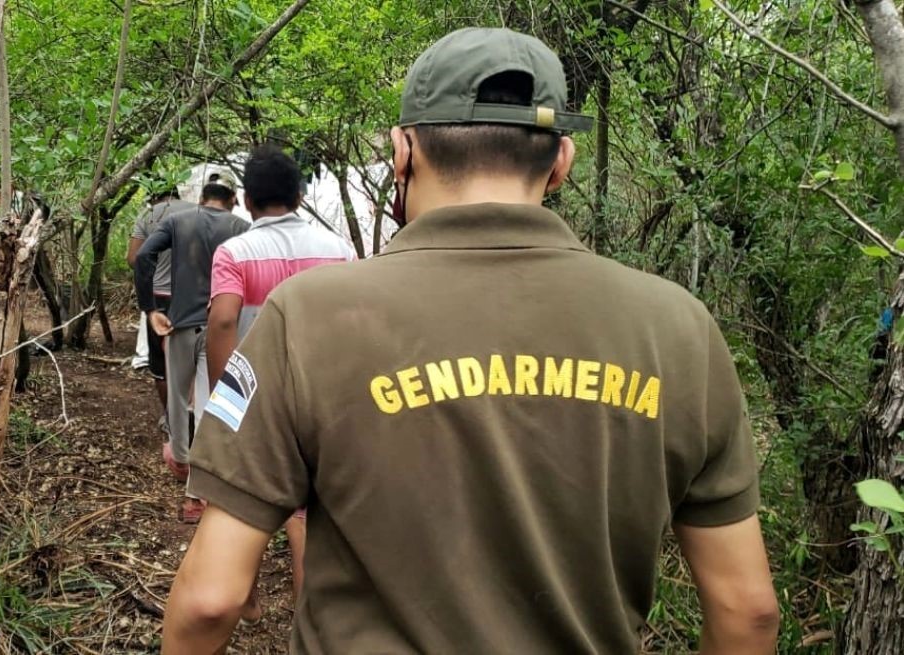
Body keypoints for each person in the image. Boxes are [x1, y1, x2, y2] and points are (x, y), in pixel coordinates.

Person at [163, 27, 778, 654]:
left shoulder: (310, 317)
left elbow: (213, 599)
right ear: (561, 161)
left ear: (403, 152)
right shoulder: (678, 327)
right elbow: (747, 612)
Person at [205, 145, 355, 620]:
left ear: (247, 200)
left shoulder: (235, 252)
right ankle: (308, 607)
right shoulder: (337, 248)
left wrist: (222, 397)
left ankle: (245, 598)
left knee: (242, 499)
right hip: (326, 389)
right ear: (300, 195)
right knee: (308, 508)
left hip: (258, 396)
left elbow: (224, 321)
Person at [134, 173, 248, 522]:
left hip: (180, 322)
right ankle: (200, 490)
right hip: (223, 325)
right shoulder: (242, 228)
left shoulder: (177, 221)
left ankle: (182, 460)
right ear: (231, 199)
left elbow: (142, 258)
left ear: (202, 198)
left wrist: (151, 307)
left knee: (177, 397)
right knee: (212, 399)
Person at [128, 188, 198, 437]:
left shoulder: (149, 215)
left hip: (161, 299)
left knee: (161, 364)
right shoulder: (197, 211)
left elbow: (134, 258)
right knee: (194, 358)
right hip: (195, 297)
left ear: (154, 196)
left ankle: (171, 419)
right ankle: (193, 413)